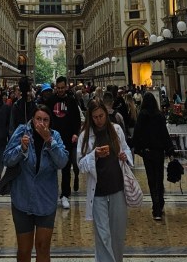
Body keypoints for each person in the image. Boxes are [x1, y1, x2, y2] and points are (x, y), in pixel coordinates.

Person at [4, 104, 69, 262]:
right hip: (23, 198)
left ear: (50, 122)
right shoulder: (22, 132)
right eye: (38, 119)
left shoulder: (55, 137)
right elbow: (7, 158)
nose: (41, 123)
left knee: (43, 247)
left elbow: (62, 162)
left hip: (45, 200)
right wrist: (22, 148)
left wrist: (49, 141)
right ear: (32, 120)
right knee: (24, 249)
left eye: (45, 120)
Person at [77, 98, 133, 262]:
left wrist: (125, 156)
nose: (99, 120)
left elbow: (127, 149)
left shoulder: (116, 130)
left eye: (101, 116)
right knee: (103, 236)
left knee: (117, 234)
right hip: (98, 193)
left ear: (106, 115)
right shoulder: (85, 136)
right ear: (90, 117)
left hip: (117, 189)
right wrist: (94, 155)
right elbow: (80, 164)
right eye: (95, 117)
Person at [131, 92, 174, 220]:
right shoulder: (159, 115)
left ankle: (156, 209)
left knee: (151, 179)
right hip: (159, 152)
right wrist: (170, 150)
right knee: (159, 177)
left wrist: (136, 148)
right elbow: (164, 133)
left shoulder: (142, 115)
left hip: (148, 152)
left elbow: (137, 132)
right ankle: (160, 203)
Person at [50, 76, 82, 208]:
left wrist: (75, 133)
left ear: (66, 87)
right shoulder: (50, 101)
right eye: (58, 88)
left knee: (66, 168)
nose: (61, 90)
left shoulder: (72, 101)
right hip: (52, 140)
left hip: (68, 140)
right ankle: (51, 194)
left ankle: (65, 194)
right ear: (56, 88)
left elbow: (77, 119)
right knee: (51, 168)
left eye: (63, 88)